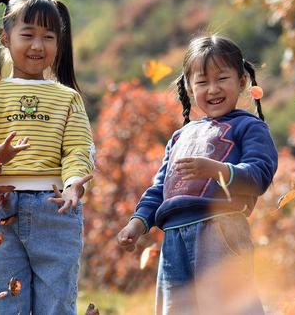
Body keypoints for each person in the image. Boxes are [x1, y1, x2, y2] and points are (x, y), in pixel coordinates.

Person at [117, 35, 278, 314]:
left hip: (220, 230)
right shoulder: (181, 136)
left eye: (222, 79)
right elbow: (160, 188)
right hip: (173, 239)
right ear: (190, 89)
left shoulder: (249, 127)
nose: (213, 89)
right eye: (202, 82)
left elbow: (259, 174)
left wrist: (217, 171)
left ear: (241, 82)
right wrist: (138, 223)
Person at [0, 0, 94, 314]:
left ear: (59, 44)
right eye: (28, 35)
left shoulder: (67, 98)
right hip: (1, 206)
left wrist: (75, 182)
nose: (38, 46)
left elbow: (78, 147)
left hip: (55, 207)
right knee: (7, 302)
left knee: (57, 302)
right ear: (5, 37)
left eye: (48, 37)